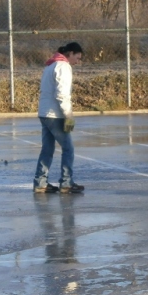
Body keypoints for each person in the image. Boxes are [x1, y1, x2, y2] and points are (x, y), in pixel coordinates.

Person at [33, 42, 85, 194]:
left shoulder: (51, 65)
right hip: (55, 114)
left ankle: (40, 183)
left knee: (47, 149)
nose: (78, 61)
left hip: (44, 113)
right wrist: (68, 115)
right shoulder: (63, 66)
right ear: (69, 53)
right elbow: (62, 94)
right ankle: (66, 183)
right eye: (77, 57)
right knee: (68, 148)